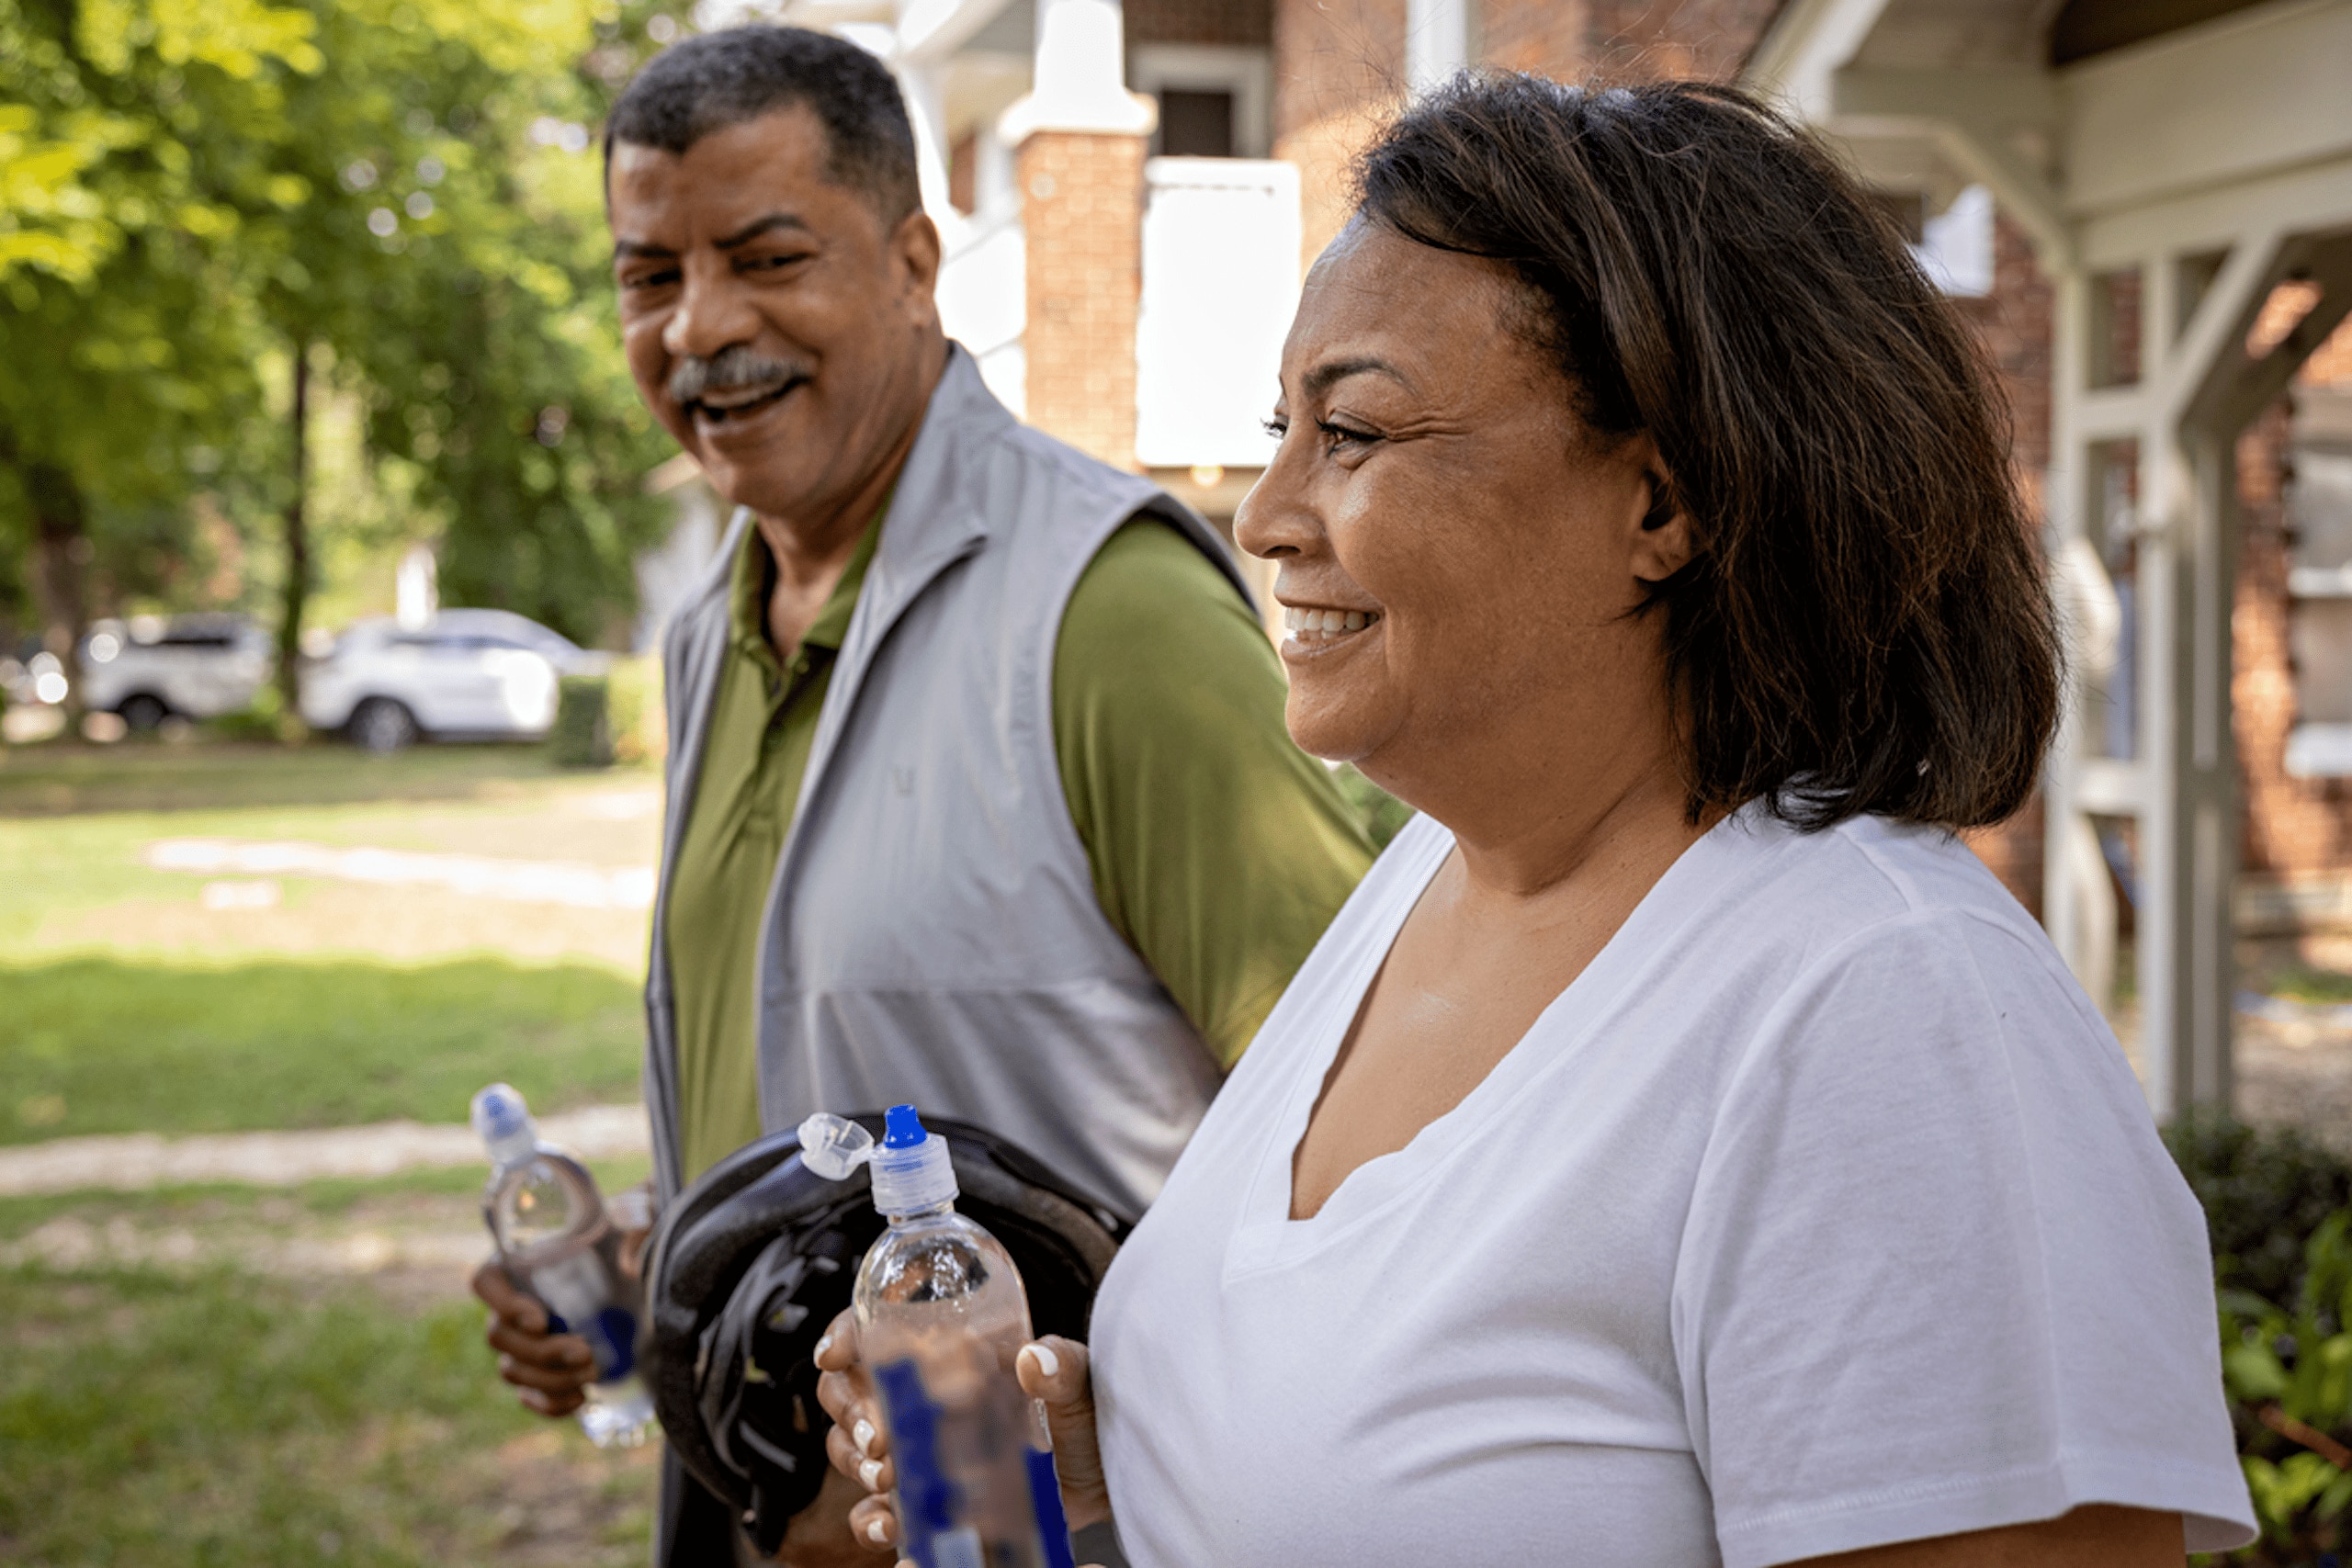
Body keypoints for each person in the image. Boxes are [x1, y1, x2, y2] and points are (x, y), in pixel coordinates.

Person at [816, 76, 2258, 1565]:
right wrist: (1106, 1454)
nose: (1265, 515)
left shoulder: (1889, 1015)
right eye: (1281, 428)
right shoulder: (1438, 877)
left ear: (1664, 499)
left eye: (1357, 432)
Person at [469, 25, 1374, 1565]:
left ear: (911, 259)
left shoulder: (1111, 611)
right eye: (648, 276)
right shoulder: (712, 628)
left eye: (767, 257)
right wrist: (661, 1265)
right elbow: (818, 1085)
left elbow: (1365, 1155)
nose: (700, 328)